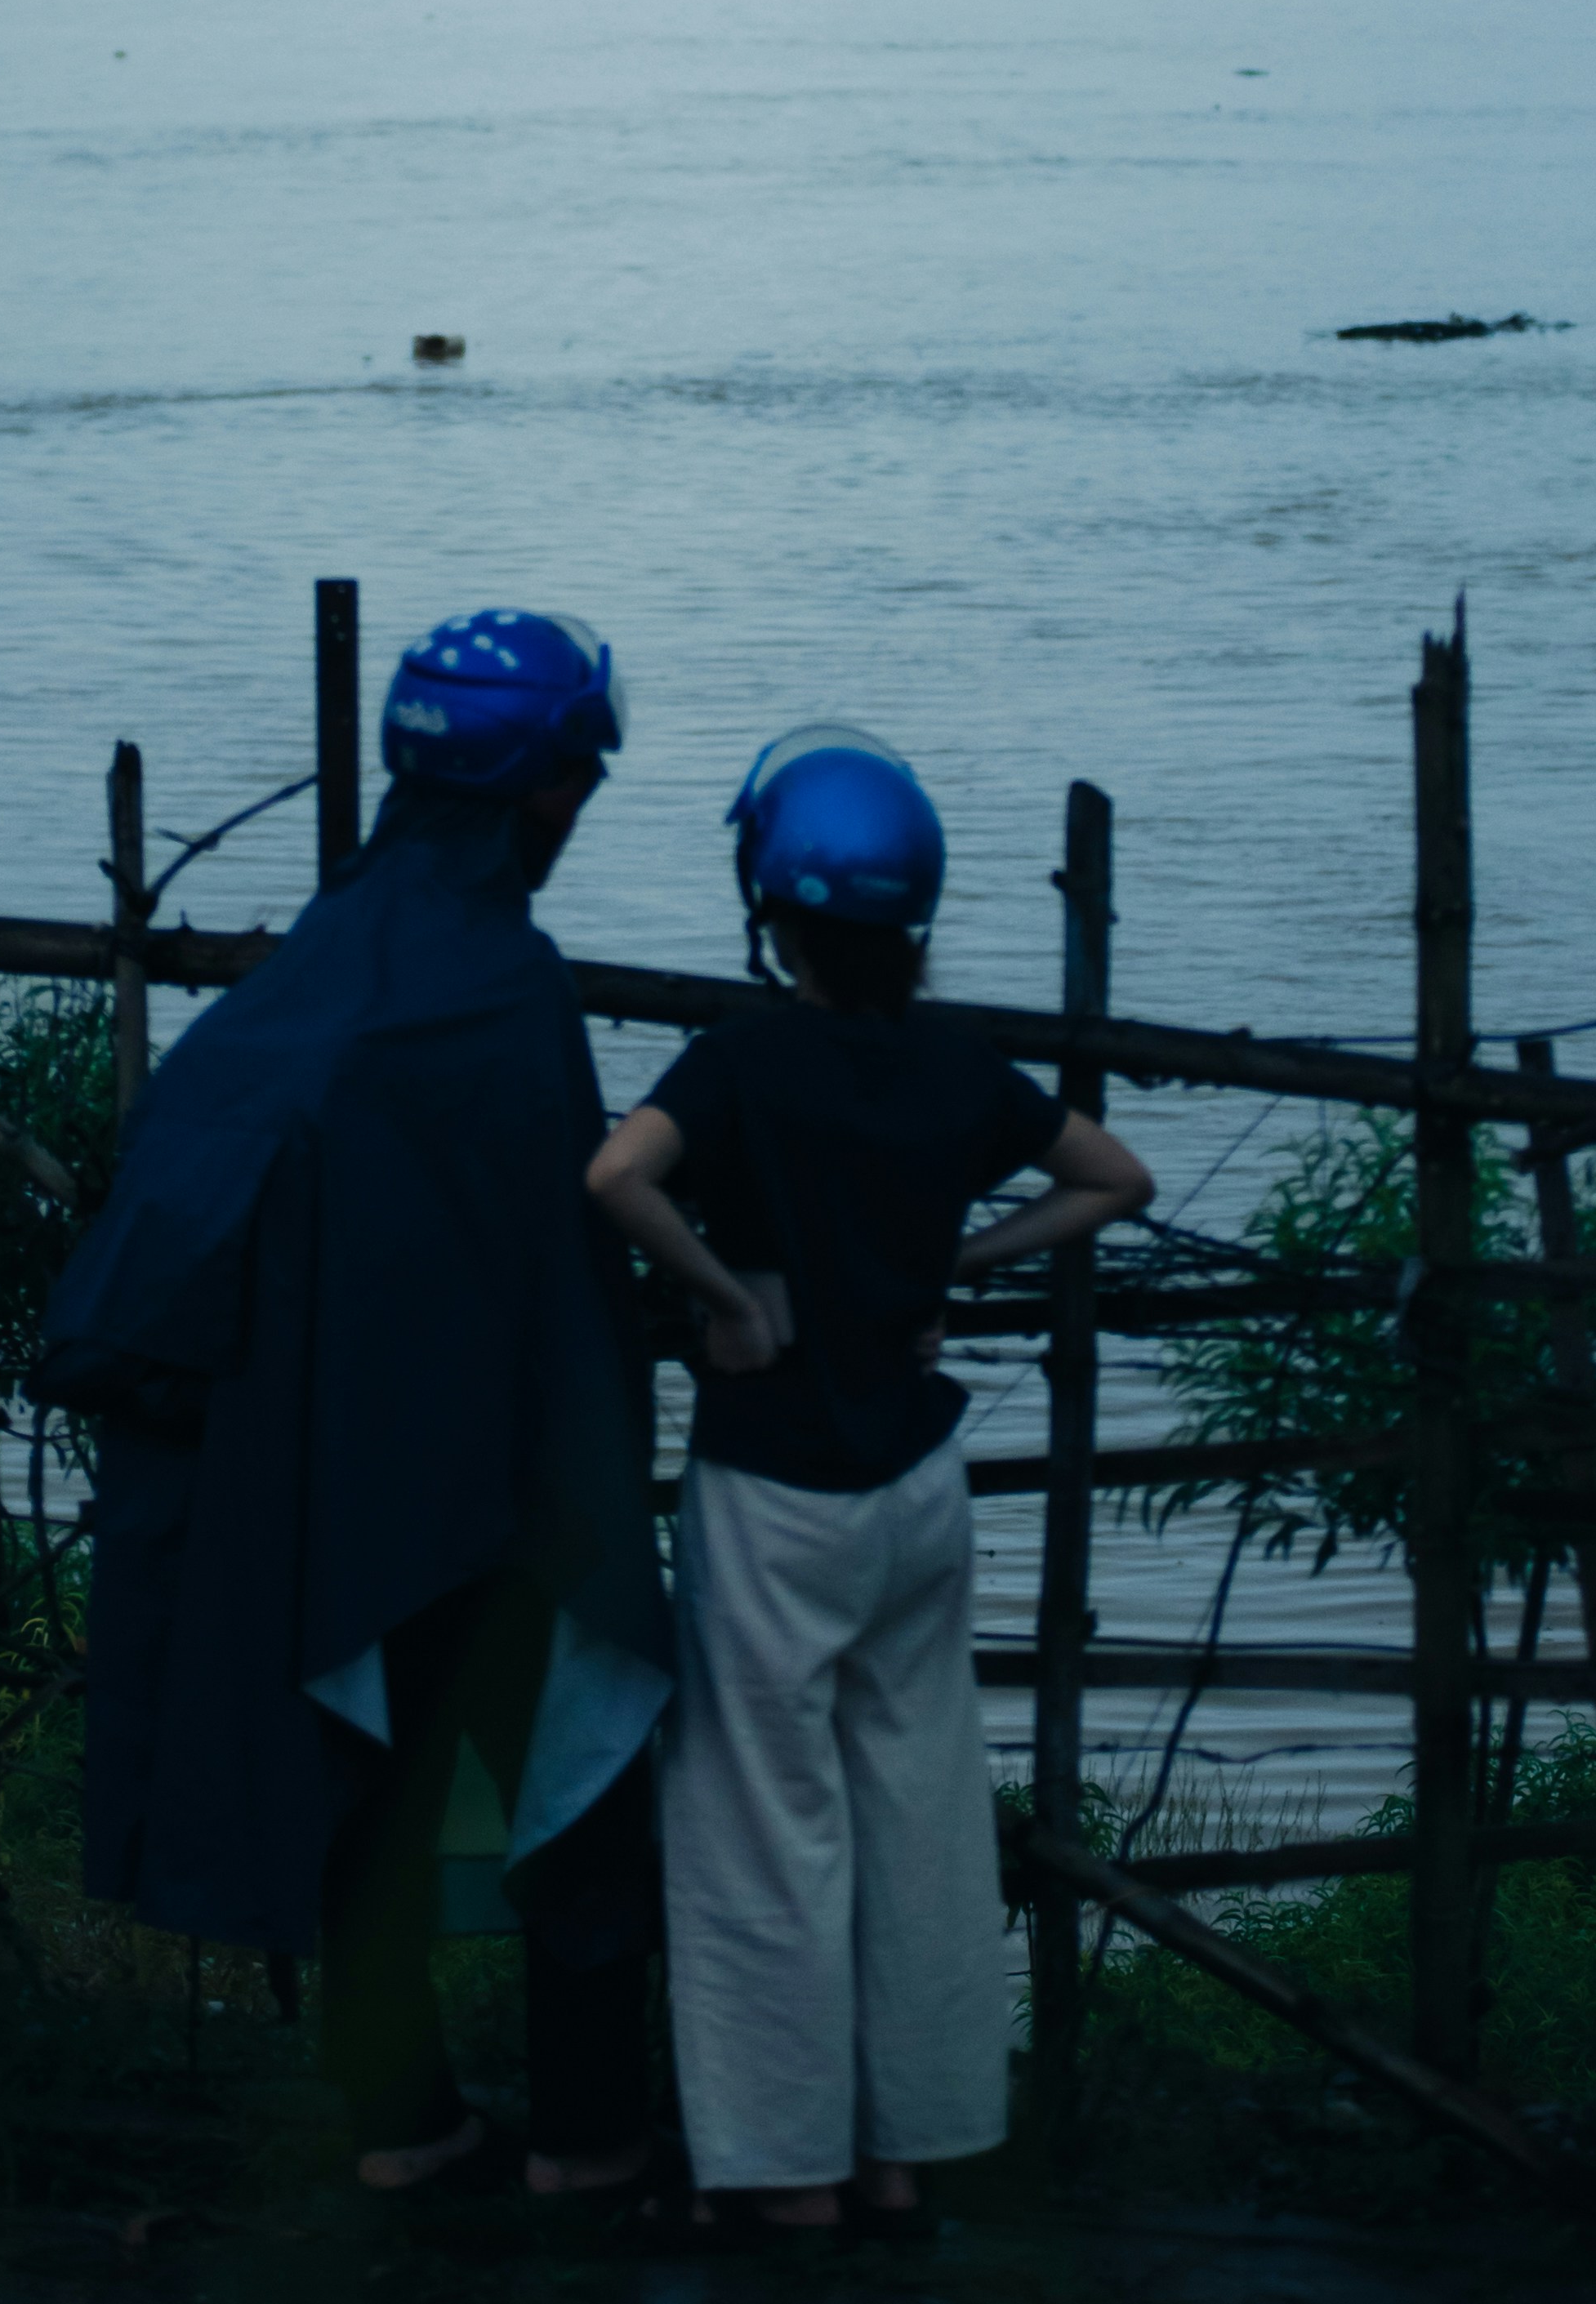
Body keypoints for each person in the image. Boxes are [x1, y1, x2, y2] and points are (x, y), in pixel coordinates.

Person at [33, 610, 671, 2213]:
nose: (582, 801)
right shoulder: (503, 988)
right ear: (543, 790)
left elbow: (190, 1204)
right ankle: (591, 2141)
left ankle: (406, 2121)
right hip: (470, 1465)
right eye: (581, 774)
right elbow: (553, 1261)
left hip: (307, 1457)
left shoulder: (308, 969)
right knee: (579, 1790)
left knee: (366, 1782)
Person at [585, 725, 1153, 2243]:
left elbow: (614, 1175)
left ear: (769, 909)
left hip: (775, 1493)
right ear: (917, 916)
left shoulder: (744, 1055)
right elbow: (1115, 1178)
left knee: (763, 1826)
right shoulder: (956, 1068)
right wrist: (963, 1253)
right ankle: (905, 2152)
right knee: (915, 1813)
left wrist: (729, 1293)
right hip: (918, 1485)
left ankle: (783, 2176)